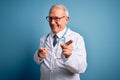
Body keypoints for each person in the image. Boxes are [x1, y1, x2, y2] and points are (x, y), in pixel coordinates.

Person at [34, 4, 87, 80]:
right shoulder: (44, 39)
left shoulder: (77, 38)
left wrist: (69, 56)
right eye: (50, 18)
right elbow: (38, 61)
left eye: (56, 18)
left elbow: (81, 69)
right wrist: (38, 55)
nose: (52, 22)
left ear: (66, 19)